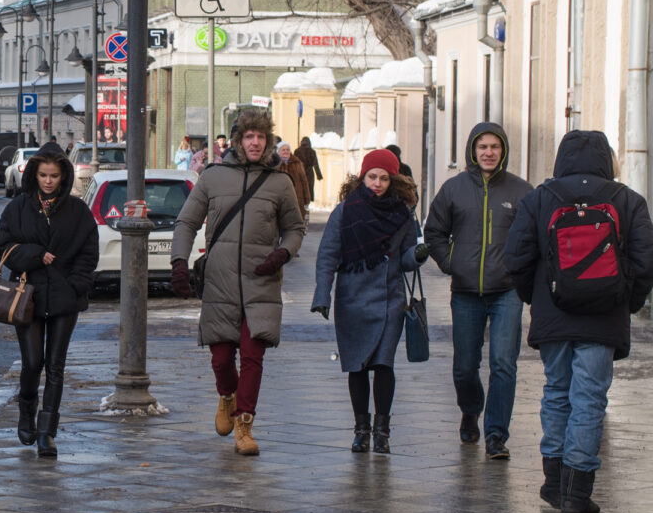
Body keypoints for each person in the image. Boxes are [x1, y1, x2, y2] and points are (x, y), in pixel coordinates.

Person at [504, 130, 653, 513]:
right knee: (589, 399)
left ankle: (554, 482)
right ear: (606, 159)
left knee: (557, 391)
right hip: (604, 316)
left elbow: (516, 258)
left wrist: (536, 297)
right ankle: (577, 493)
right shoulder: (627, 200)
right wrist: (628, 302)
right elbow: (646, 261)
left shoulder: (539, 198)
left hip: (553, 314)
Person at [169, 110, 306, 456]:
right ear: (237, 141)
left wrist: (283, 253)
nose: (256, 142)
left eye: (261, 137)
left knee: (253, 354)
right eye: (249, 136)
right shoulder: (213, 178)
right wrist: (179, 263)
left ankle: (245, 424)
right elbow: (186, 222)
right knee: (220, 358)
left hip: (262, 280)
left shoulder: (279, 182)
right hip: (220, 280)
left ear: (269, 140)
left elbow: (295, 228)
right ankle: (226, 396)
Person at [424, 122, 532, 459]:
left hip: (507, 292)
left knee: (503, 363)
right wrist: (451, 263)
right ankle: (470, 409)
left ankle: (496, 434)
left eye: (494, 147)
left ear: (503, 151)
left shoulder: (521, 192)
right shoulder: (454, 189)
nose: (488, 153)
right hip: (467, 291)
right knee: (465, 367)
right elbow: (434, 232)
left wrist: (520, 271)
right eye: (482, 147)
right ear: (473, 150)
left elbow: (532, 239)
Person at [312, 149, 427, 454]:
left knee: (384, 364)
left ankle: (382, 431)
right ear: (362, 177)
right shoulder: (345, 211)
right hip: (352, 300)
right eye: (372, 177)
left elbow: (404, 259)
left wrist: (415, 256)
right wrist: (322, 294)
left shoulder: (403, 214)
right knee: (357, 366)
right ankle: (361, 429)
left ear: (393, 180)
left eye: (384, 178)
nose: (377, 183)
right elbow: (328, 256)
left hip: (390, 300)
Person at [0, 142, 99, 458]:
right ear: (34, 174)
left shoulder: (78, 211)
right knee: (32, 362)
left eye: (54, 175)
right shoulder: (18, 208)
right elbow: (4, 247)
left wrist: (75, 284)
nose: (49, 181)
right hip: (28, 297)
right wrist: (36, 255)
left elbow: (88, 252)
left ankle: (46, 432)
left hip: (65, 300)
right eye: (43, 175)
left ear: (64, 176)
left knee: (55, 366)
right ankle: (26, 410)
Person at [276, 141, 311, 218]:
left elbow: (304, 182)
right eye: (283, 150)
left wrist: (307, 199)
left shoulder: (297, 163)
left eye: (287, 150)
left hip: (297, 200)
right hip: (279, 200)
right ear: (277, 152)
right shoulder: (274, 165)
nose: (286, 151)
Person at [295, 137, 324, 202]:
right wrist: (319, 176)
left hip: (299, 172)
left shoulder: (297, 151)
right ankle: (307, 204)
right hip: (309, 173)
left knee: (300, 189)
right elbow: (316, 164)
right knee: (309, 188)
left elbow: (294, 163)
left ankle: (301, 203)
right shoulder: (312, 152)